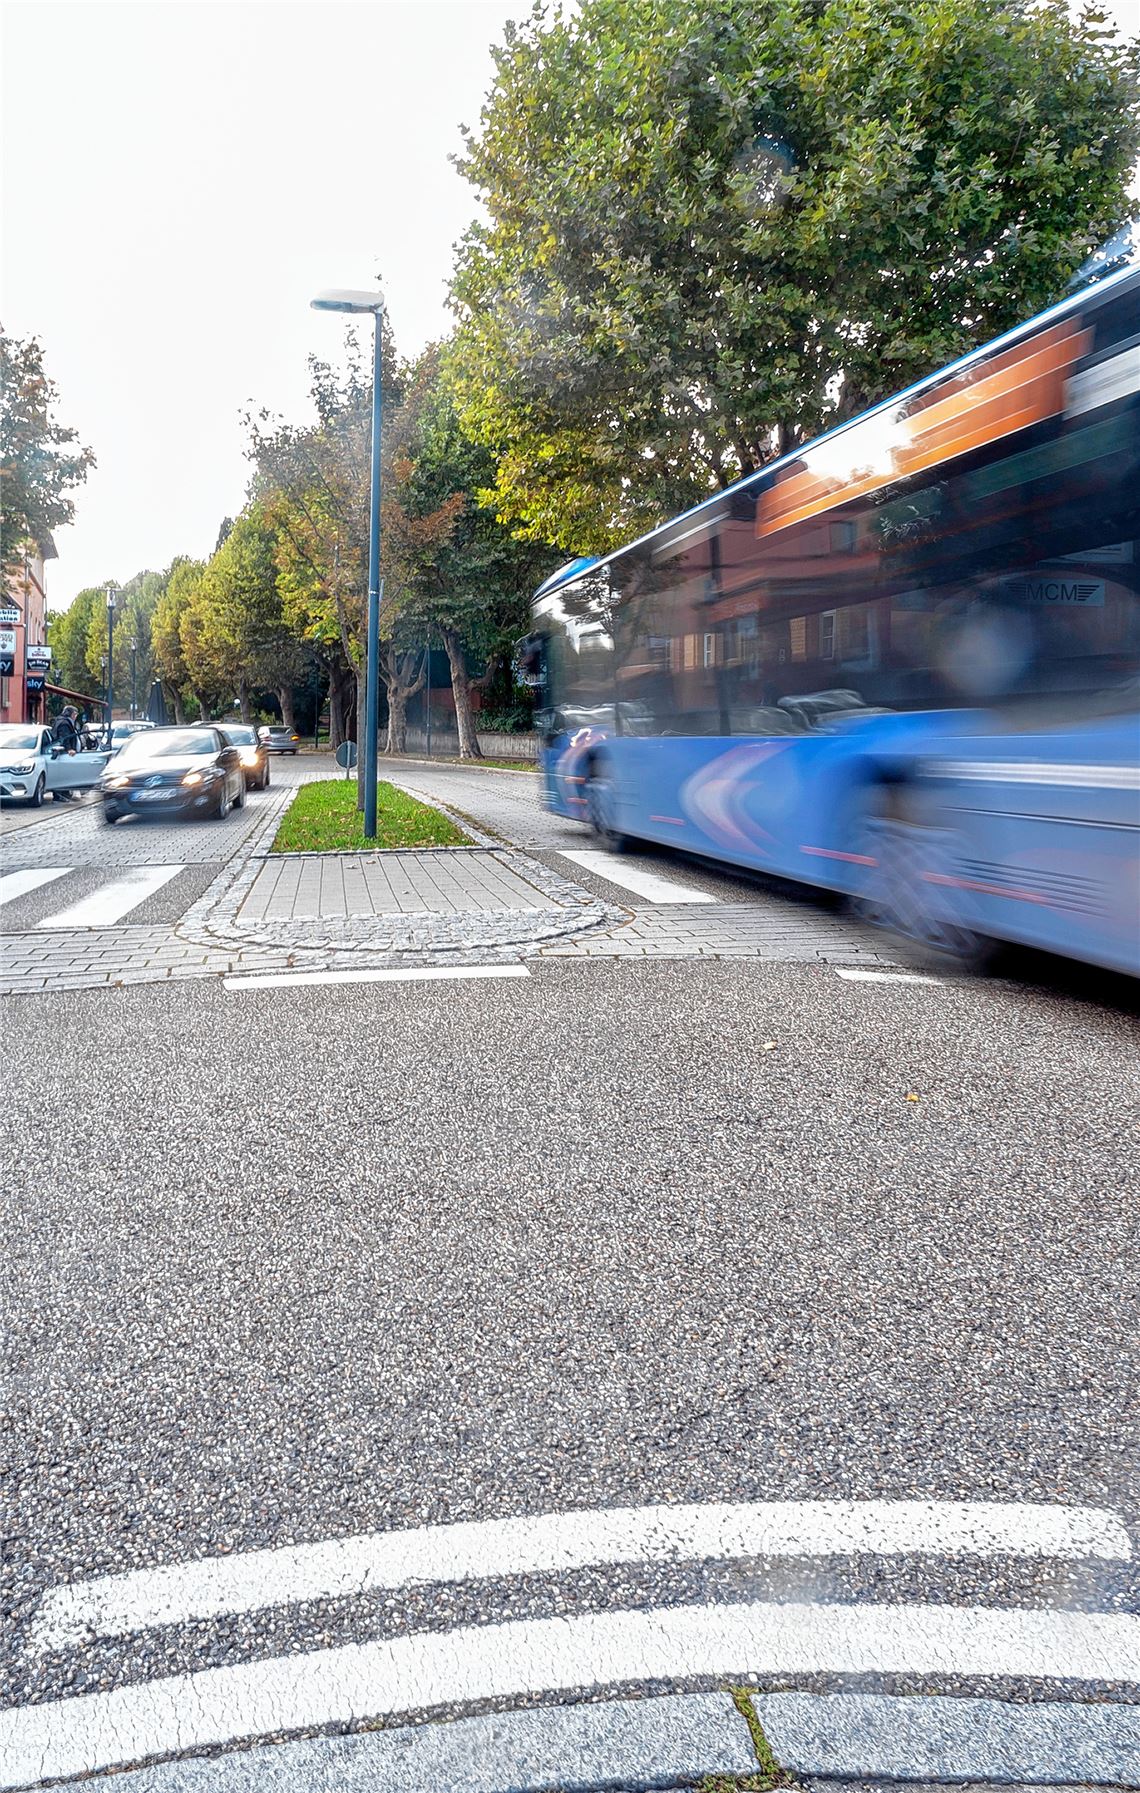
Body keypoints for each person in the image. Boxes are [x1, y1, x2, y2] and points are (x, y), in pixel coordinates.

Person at [50, 706, 80, 800]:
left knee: (65, 773)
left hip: (63, 752)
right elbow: (64, 737)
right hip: (64, 753)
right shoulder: (64, 723)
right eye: (75, 714)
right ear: (70, 714)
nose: (75, 716)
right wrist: (69, 749)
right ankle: (60, 794)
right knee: (63, 774)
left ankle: (65, 793)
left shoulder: (62, 720)